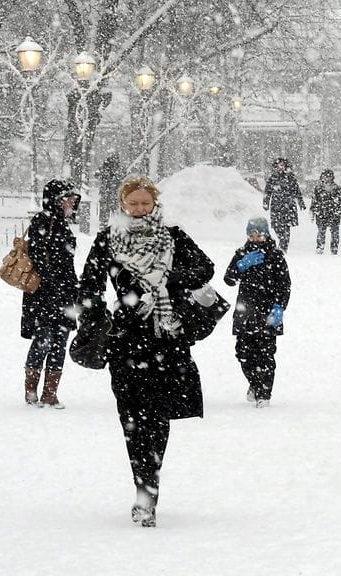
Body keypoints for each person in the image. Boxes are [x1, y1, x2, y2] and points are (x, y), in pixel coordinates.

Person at [77, 176, 215, 528]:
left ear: (154, 202)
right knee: (132, 420)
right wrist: (95, 320)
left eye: (144, 203)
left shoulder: (172, 235)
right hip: (126, 340)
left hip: (166, 340)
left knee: (157, 420)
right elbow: (89, 285)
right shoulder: (109, 238)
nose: (139, 209)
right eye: (132, 203)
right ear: (123, 204)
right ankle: (144, 488)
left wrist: (165, 280)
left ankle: (148, 490)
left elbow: (205, 268)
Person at [21, 179, 81, 408]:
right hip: (43, 294)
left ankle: (50, 393)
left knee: (60, 342)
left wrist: (73, 288)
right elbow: (39, 258)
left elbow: (66, 263)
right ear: (56, 200)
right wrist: (54, 283)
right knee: (43, 340)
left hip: (63, 294)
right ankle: (31, 391)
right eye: (68, 198)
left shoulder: (63, 225)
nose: (72, 203)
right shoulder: (41, 221)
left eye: (73, 199)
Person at [224, 217, 292, 408]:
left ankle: (264, 393)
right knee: (243, 353)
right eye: (251, 235)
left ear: (267, 234)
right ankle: (254, 384)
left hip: (268, 312)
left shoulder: (276, 256)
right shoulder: (242, 253)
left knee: (266, 354)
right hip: (245, 312)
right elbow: (228, 279)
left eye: (259, 235)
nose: (255, 238)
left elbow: (284, 285)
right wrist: (240, 265)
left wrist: (279, 307)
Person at [263, 157, 306, 252]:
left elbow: (297, 190)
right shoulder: (273, 177)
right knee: (277, 226)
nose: (281, 167)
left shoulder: (290, 177)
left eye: (283, 165)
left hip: (288, 205)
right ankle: (282, 240)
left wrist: (301, 202)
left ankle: (283, 246)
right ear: (276, 166)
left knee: (286, 226)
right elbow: (267, 192)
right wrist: (266, 203)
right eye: (280, 165)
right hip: (276, 206)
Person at [309, 168, 341, 254]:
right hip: (321, 213)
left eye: (329, 176)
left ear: (332, 177)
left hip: (334, 214)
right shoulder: (318, 189)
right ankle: (320, 247)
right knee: (321, 232)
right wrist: (313, 212)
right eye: (325, 176)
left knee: (335, 233)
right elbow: (314, 201)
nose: (327, 178)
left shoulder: (338, 188)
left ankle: (334, 248)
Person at [95, 153, 124, 227]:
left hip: (113, 194)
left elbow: (122, 178)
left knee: (115, 215)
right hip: (109, 194)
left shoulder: (119, 169)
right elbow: (97, 175)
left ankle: (116, 227)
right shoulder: (106, 168)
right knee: (105, 215)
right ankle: (104, 227)